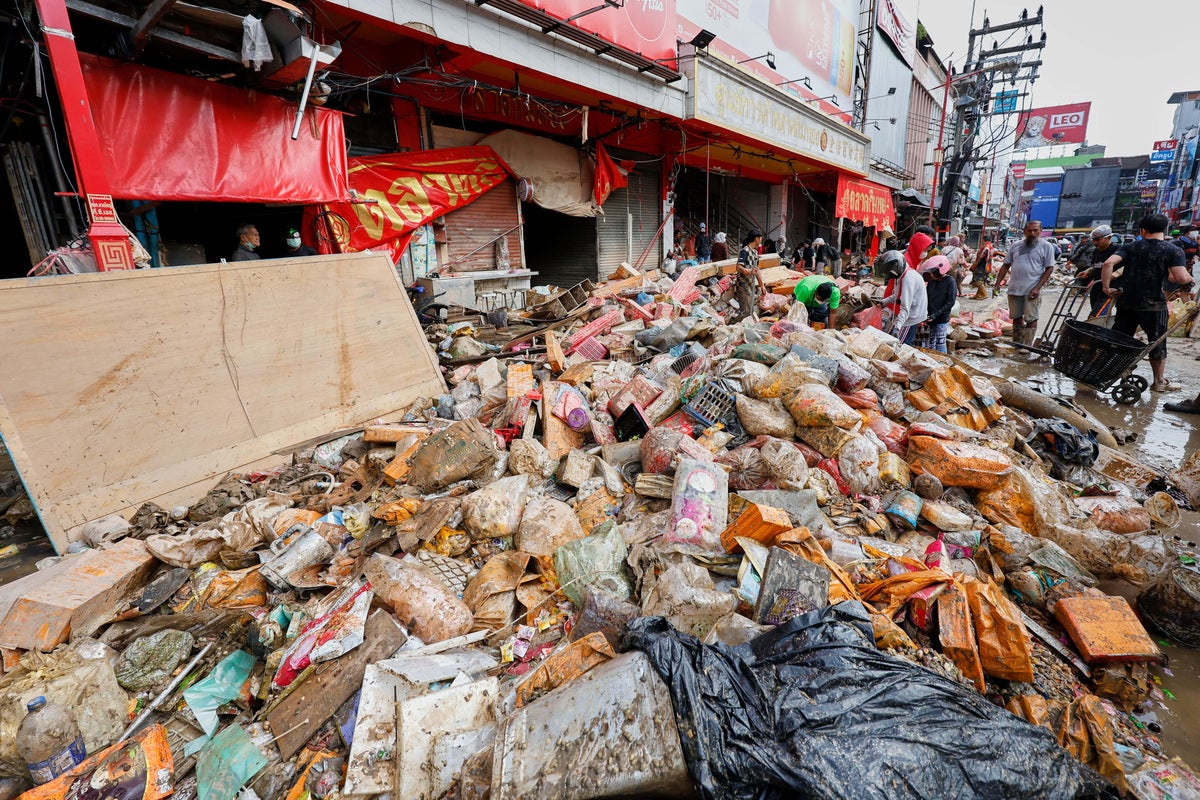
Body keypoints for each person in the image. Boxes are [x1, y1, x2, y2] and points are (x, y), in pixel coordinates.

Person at [1102, 213, 1193, 393]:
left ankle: (1121, 373)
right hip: (1154, 305)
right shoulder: (1172, 250)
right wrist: (1188, 282)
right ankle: (1159, 382)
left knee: (1121, 338)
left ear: (1142, 230)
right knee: (1157, 341)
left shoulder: (1130, 247)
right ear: (1164, 229)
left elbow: (1108, 264)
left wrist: (1106, 287)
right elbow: (1181, 277)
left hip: (1127, 303)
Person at [993, 220, 1055, 352]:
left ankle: (1027, 345)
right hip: (1015, 288)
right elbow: (1006, 265)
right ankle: (1018, 343)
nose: (1032, 233)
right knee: (1016, 317)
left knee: (1031, 317)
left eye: (1035, 230)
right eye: (1029, 230)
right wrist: (997, 284)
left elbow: (1049, 268)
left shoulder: (1046, 246)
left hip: (1032, 288)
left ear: (1040, 231)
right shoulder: (1016, 246)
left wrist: (1037, 287)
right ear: (1025, 231)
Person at [881, 231, 932, 345]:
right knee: (898, 339)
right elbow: (897, 293)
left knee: (901, 344)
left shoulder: (907, 277)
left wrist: (897, 327)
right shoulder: (901, 271)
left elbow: (905, 307)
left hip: (912, 313)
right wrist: (884, 302)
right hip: (906, 308)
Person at [1072, 225, 1120, 317]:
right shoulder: (1096, 251)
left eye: (1098, 239)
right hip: (1096, 288)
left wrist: (1116, 274)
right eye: (1093, 240)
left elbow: (1128, 265)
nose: (1095, 242)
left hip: (1109, 290)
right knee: (1097, 317)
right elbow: (1096, 266)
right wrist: (1088, 271)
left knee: (1095, 317)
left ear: (1108, 238)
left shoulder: (1117, 250)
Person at [920, 254, 956, 353]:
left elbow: (950, 302)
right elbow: (926, 298)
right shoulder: (931, 283)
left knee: (940, 343)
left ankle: (942, 364)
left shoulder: (950, 281)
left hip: (942, 318)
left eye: (932, 272)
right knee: (931, 343)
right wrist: (926, 314)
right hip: (931, 317)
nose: (931, 274)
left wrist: (936, 314)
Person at [731, 230, 766, 322]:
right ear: (756, 239)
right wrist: (747, 270)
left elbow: (757, 270)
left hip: (751, 285)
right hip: (743, 285)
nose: (761, 240)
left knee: (750, 310)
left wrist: (762, 285)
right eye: (760, 237)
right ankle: (732, 324)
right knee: (746, 311)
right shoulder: (745, 251)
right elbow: (738, 267)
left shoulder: (755, 252)